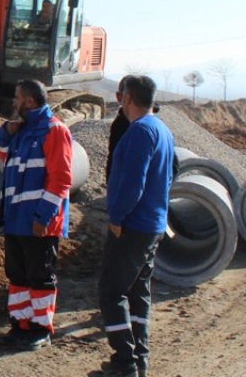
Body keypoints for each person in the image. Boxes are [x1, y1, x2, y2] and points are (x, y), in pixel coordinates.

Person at [98, 75, 175, 377]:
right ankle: (138, 360)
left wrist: (117, 217)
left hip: (133, 226)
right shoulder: (161, 129)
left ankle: (124, 363)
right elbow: (167, 176)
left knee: (111, 291)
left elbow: (133, 183)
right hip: (152, 223)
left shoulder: (140, 131)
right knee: (138, 291)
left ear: (128, 98)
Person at [0, 79, 72, 352]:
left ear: (28, 101)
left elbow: (61, 179)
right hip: (16, 218)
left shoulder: (55, 130)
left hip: (39, 222)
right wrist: (5, 130)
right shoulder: (21, 131)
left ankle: (40, 329)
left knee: (40, 276)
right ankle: (20, 325)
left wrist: (44, 216)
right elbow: (2, 155)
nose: (14, 103)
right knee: (17, 275)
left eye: (17, 97)